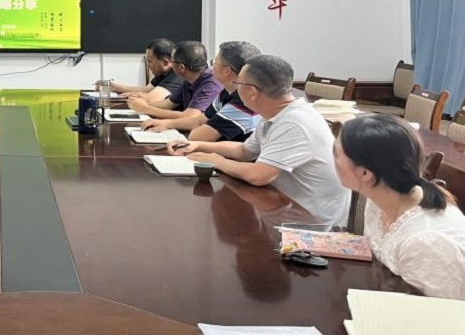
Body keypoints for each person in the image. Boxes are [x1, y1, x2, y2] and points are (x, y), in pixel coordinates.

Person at [168, 54, 349, 226]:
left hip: (312, 225)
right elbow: (244, 151)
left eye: (238, 83)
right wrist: (198, 145)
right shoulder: (276, 113)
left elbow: (259, 175)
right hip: (284, 209)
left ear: (252, 92)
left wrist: (217, 161)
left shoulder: (295, 122)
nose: (236, 88)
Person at [335, 114, 465, 300]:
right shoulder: (379, 199)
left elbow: (439, 313)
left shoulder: (426, 242)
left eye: (336, 156)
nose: (333, 161)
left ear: (365, 173)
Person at [131, 41, 223, 130]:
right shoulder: (189, 80)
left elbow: (190, 117)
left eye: (172, 61)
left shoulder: (211, 85)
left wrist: (146, 108)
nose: (170, 64)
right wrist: (141, 104)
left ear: (181, 67)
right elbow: (166, 104)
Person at [185, 41, 263, 142]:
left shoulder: (244, 102)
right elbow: (199, 121)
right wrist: (167, 123)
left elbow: (197, 137)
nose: (211, 66)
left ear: (226, 71)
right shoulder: (227, 92)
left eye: (214, 62)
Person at [101, 38, 184, 103]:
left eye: (150, 62)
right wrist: (114, 87)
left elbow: (152, 99)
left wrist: (134, 95)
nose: (148, 65)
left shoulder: (177, 74)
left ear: (165, 62)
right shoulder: (162, 72)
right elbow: (145, 90)